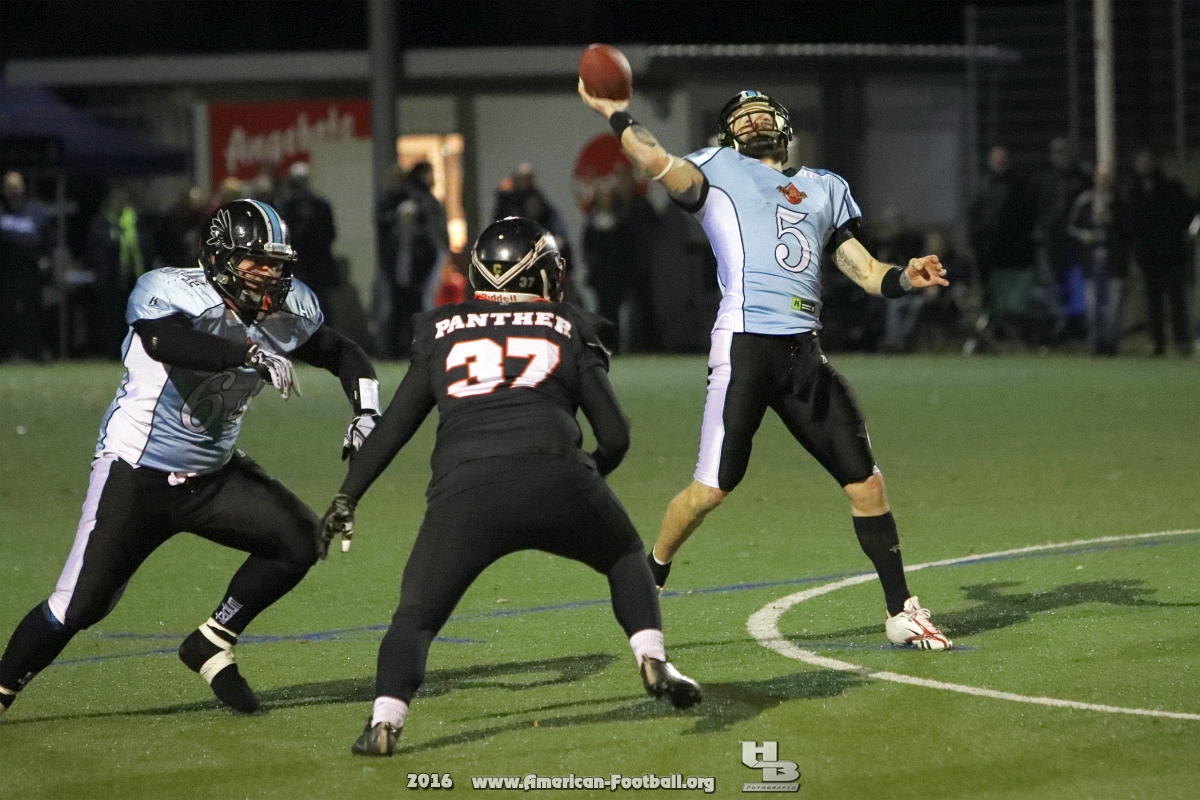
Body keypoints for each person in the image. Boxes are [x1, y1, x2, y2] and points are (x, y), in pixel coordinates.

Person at [580, 85, 953, 650]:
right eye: (743, 116)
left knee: (866, 482)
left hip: (805, 353)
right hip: (746, 348)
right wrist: (615, 112)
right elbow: (653, 159)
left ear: (784, 126)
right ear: (729, 133)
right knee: (709, 491)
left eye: (762, 114)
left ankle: (900, 610)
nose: (753, 121)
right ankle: (650, 572)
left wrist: (906, 276)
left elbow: (869, 272)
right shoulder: (715, 168)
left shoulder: (826, 187)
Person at [317, 217, 701, 756]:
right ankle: (653, 659)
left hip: (465, 491)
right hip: (557, 474)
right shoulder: (566, 325)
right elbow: (615, 435)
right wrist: (584, 477)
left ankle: (384, 722)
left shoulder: (442, 329)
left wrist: (348, 494)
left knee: (416, 616)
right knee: (623, 555)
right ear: (541, 275)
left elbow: (394, 428)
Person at [0, 199, 381, 718]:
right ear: (220, 258)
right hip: (137, 471)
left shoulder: (287, 310)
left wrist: (367, 413)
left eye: (276, 263)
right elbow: (165, 341)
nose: (270, 275)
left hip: (213, 476)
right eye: (256, 262)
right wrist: (247, 354)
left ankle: (211, 641)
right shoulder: (170, 290)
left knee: (299, 540)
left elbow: (342, 352)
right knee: (79, 606)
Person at [376, 162, 450, 357]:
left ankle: (413, 346)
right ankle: (401, 348)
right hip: (407, 266)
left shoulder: (416, 203)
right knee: (405, 306)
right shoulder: (410, 203)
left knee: (413, 305)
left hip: (415, 267)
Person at [1126, 150, 1194, 355]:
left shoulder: (1172, 187)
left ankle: (1181, 340)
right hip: (1149, 255)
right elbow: (1131, 224)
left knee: (1176, 299)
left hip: (1172, 253)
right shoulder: (1134, 191)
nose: (1143, 164)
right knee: (1153, 301)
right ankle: (1157, 342)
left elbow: (1185, 214)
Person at [1066, 163, 1127, 355]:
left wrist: (1112, 221)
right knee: (1093, 305)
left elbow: (1129, 231)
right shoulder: (1084, 201)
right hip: (1090, 261)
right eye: (1100, 177)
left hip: (1114, 261)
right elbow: (1071, 229)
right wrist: (1084, 236)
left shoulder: (1119, 202)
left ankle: (1111, 345)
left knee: (1112, 306)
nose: (1103, 181)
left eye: (1107, 178)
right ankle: (1096, 344)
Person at [278, 161, 339, 319]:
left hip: (313, 265)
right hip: (302, 265)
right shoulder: (288, 206)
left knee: (318, 307)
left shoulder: (315, 206)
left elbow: (328, 234)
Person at [0, 171, 50, 361]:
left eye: (17, 186)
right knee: (6, 314)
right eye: (9, 187)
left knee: (31, 313)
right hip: (5, 272)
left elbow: (41, 238)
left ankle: (33, 353)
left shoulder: (34, 210)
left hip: (29, 273)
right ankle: (6, 354)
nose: (14, 190)